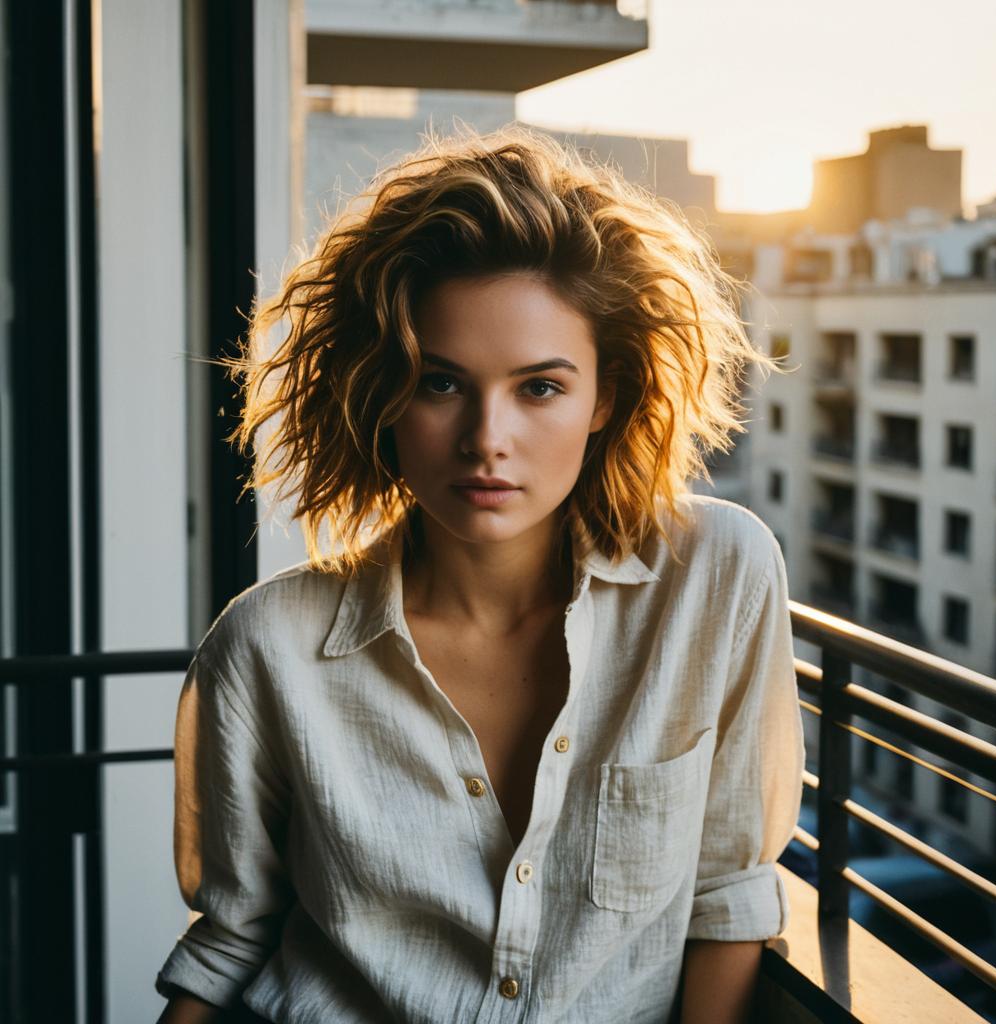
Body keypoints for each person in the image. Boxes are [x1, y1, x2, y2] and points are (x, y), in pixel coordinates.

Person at [154, 123, 805, 1024]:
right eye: (439, 382)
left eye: (540, 387)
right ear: (382, 393)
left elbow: (729, 890)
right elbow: (231, 940)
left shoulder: (716, 577)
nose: (486, 440)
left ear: (604, 397)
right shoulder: (267, 647)